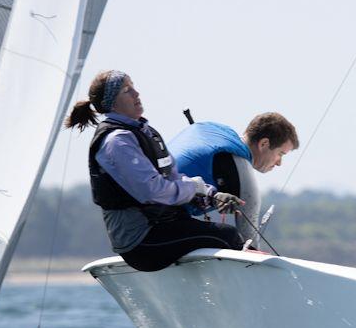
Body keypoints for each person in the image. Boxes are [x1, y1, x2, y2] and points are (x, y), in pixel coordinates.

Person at [64, 70, 245, 272]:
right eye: (127, 90)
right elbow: (153, 190)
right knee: (226, 236)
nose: (136, 94)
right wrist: (194, 188)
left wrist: (210, 194)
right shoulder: (117, 142)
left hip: (164, 226)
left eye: (134, 86)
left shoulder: (145, 133)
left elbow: (174, 178)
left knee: (223, 235)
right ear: (112, 104)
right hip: (142, 241)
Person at [167, 113, 298, 247]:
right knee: (230, 236)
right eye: (280, 154)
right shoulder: (240, 167)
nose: (279, 163)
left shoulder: (211, 128)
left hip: (149, 200)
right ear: (264, 143)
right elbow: (250, 242)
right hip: (156, 221)